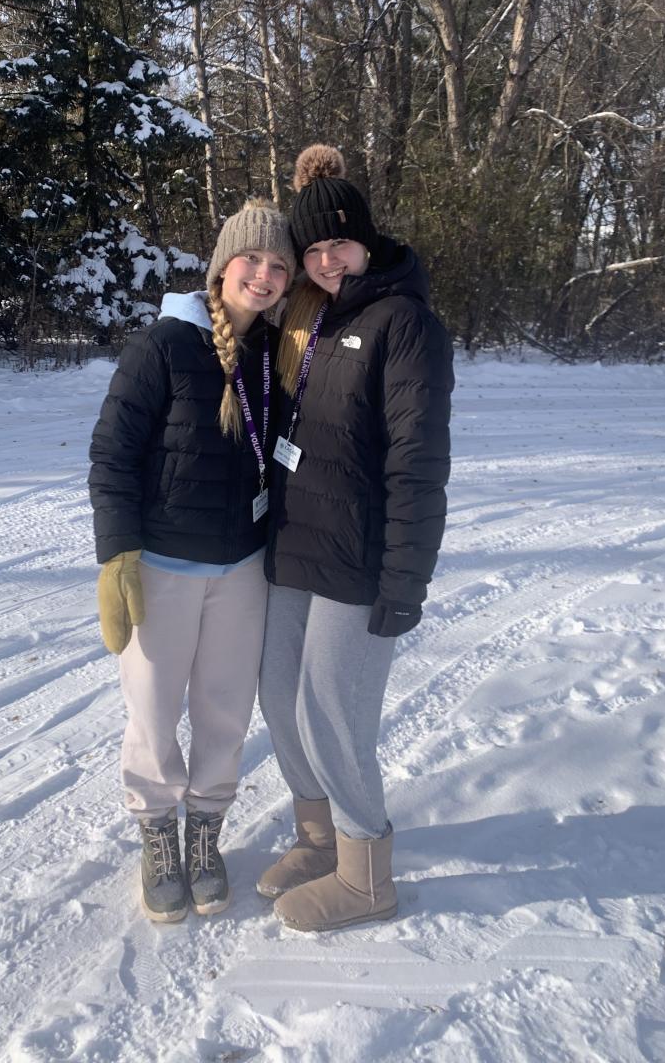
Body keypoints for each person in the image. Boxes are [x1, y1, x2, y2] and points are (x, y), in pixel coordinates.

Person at [257, 144, 453, 932]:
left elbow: (418, 462)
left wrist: (405, 577)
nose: (327, 258)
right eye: (314, 247)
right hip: (296, 544)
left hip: (360, 556)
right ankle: (319, 838)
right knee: (280, 695)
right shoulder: (310, 317)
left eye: (340, 242)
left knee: (331, 712)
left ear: (366, 240)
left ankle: (367, 873)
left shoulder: (405, 323)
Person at [88, 199, 295, 922]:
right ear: (221, 265)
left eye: (278, 265)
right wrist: (117, 553)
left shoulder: (277, 354)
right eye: (251, 259)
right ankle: (157, 833)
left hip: (242, 570)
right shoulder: (165, 345)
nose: (263, 275)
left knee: (225, 710)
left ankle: (205, 832)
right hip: (163, 568)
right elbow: (112, 453)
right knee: (151, 711)